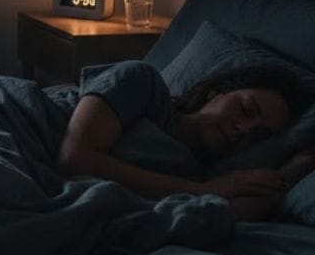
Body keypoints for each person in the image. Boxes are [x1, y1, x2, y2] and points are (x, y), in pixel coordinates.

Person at [58, 61, 315, 221]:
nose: (244, 130)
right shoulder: (143, 83)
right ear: (217, 92)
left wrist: (297, 167)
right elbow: (75, 159)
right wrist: (205, 190)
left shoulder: (201, 173)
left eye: (258, 136)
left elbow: (235, 215)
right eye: (246, 110)